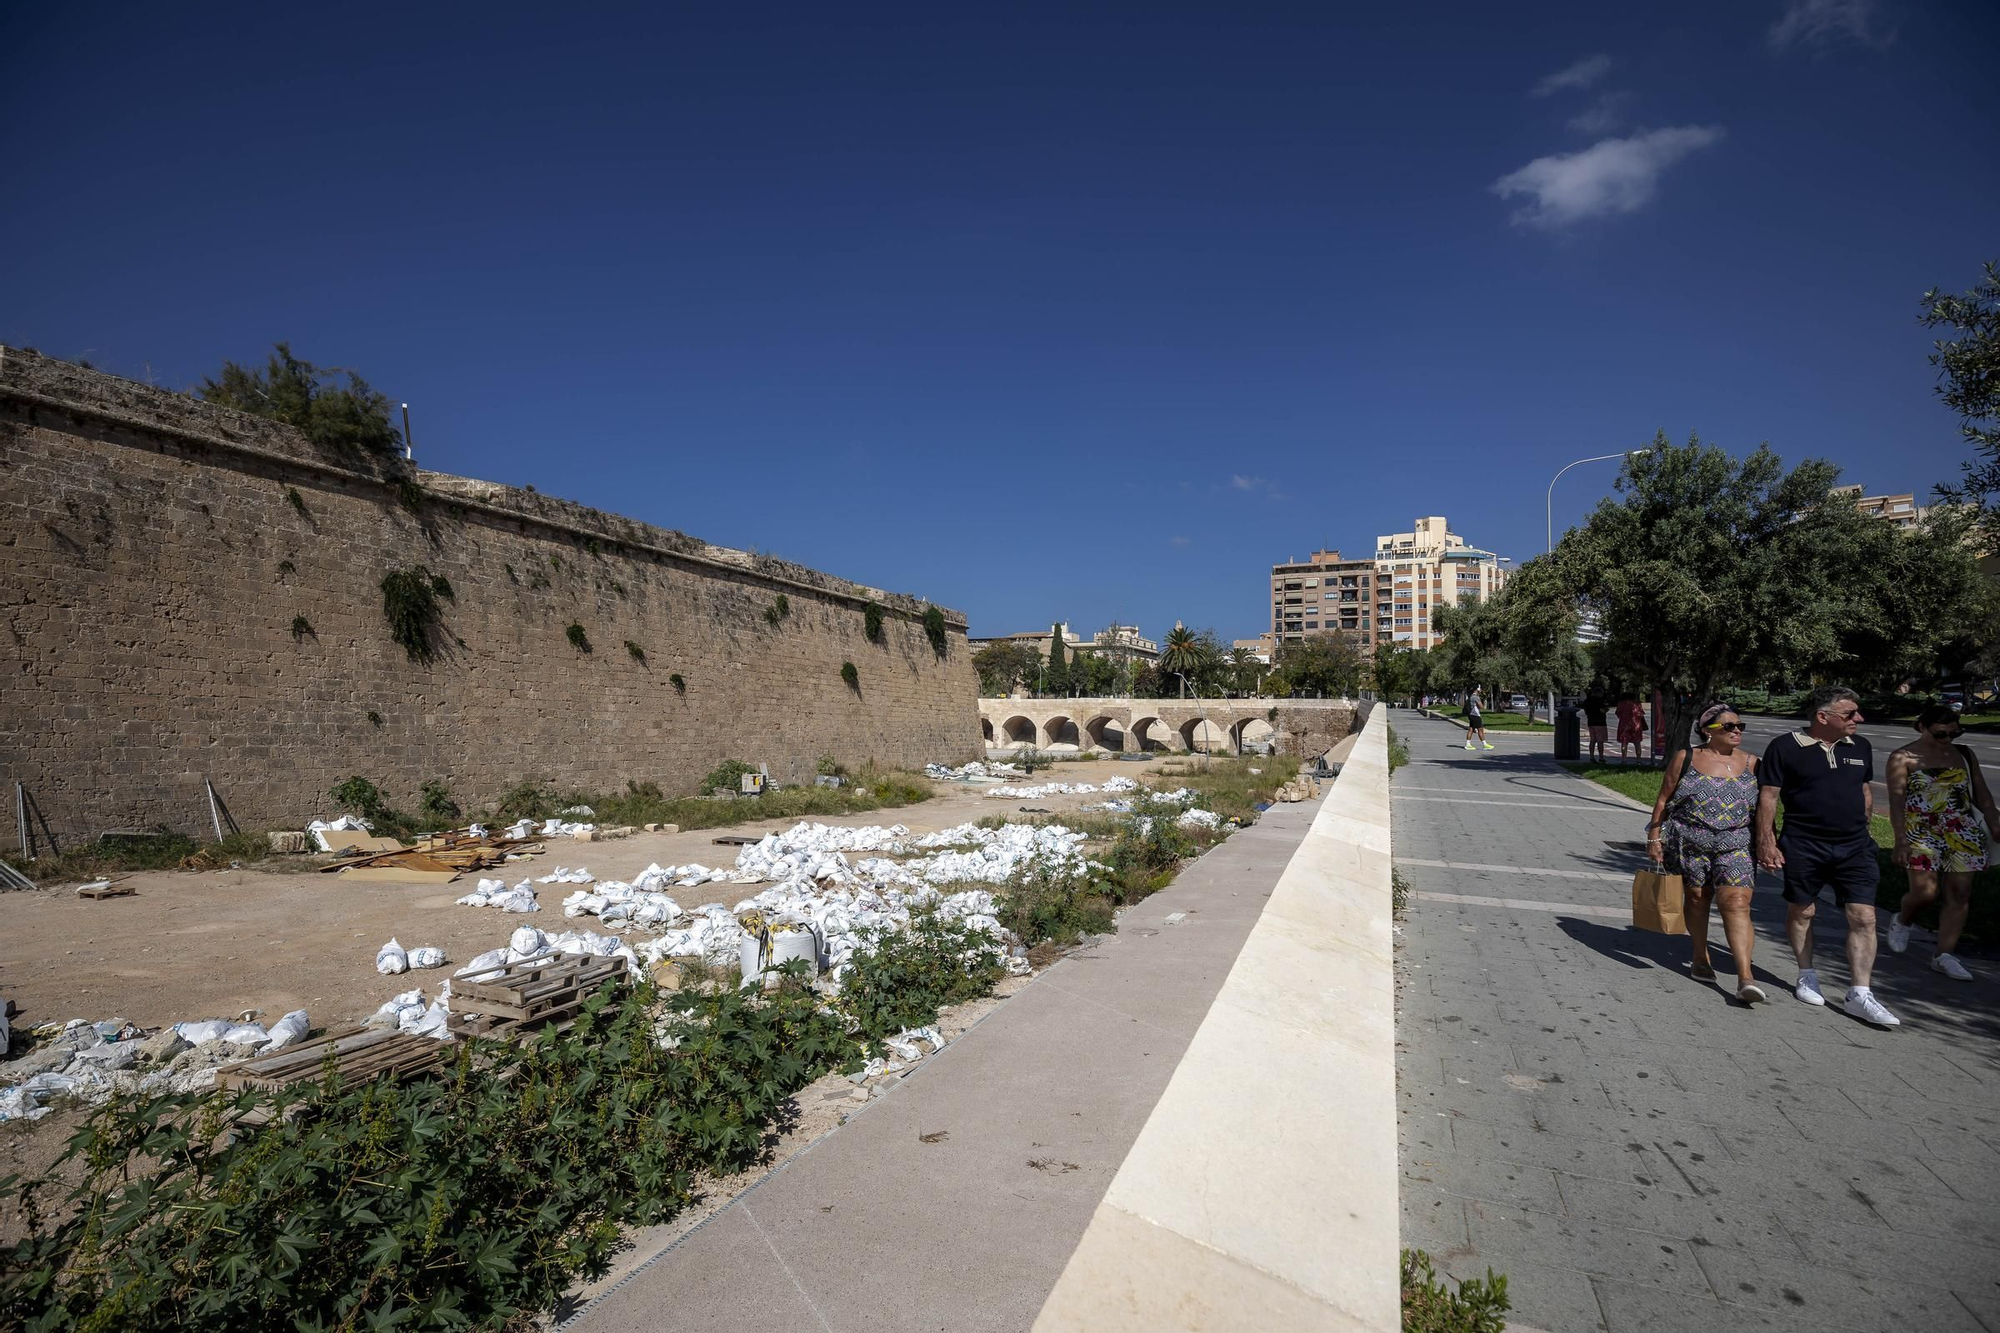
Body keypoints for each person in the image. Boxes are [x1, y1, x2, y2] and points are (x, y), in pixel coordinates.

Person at [1754, 685, 1898, 1026]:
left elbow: (1863, 788)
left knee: (1864, 917)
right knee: (1803, 911)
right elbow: (1769, 796)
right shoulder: (1785, 747)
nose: (1858, 719)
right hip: (1805, 844)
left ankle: (1860, 994)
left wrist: (1865, 826)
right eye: (1850, 714)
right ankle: (1807, 973)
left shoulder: (1860, 746)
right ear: (1823, 717)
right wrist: (1766, 842)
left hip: (1855, 846)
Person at [1646, 704, 1765, 1003]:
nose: (1736, 731)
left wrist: (1768, 842)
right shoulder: (1686, 758)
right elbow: (1664, 799)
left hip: (1737, 843)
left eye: (1740, 726)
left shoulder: (1753, 763)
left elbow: (1765, 809)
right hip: (1689, 843)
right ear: (1707, 731)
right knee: (1698, 899)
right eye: (1728, 726)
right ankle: (1700, 955)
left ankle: (1745, 976)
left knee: (1737, 903)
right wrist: (1654, 837)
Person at [1884, 706, 1992, 982]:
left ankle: (1944, 955)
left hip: (1961, 828)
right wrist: (1899, 840)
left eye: (1955, 733)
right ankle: (1903, 919)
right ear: (1922, 727)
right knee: (1925, 893)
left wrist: (1995, 821)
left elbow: (1981, 792)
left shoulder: (1964, 754)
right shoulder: (1902, 757)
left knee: (1960, 893)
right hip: (1920, 830)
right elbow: (1896, 802)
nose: (1947, 739)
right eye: (1941, 733)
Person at [1614, 693, 1646, 764]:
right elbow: (1640, 714)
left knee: (1624, 742)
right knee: (1637, 742)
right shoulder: (1637, 704)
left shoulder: (1621, 704)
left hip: (1624, 725)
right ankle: (1638, 760)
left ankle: (1624, 760)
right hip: (1636, 725)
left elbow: (1618, 713)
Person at [1463, 687, 1492, 752]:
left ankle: (1468, 744)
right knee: (1480, 729)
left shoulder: (1471, 696)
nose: (1481, 690)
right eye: (1480, 689)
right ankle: (1485, 744)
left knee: (1471, 729)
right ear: (1477, 689)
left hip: (1471, 714)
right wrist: (1483, 703)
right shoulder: (1476, 697)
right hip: (1475, 715)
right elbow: (1481, 706)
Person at [1583, 692, 1610, 763]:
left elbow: (1586, 711)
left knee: (1592, 740)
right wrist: (1606, 709)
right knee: (1600, 741)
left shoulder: (1587, 701)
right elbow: (1602, 710)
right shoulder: (1599, 701)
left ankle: (1591, 757)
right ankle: (1601, 757)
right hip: (1600, 722)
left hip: (1591, 722)